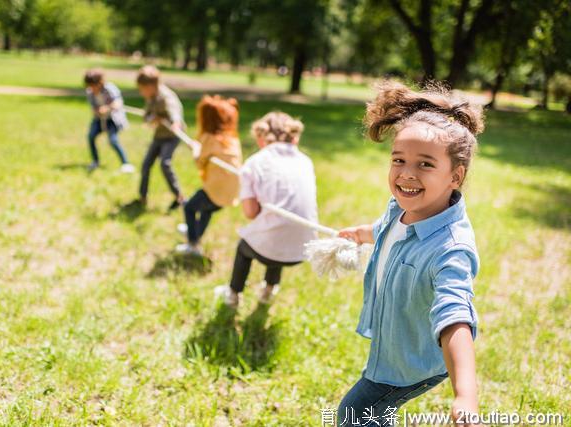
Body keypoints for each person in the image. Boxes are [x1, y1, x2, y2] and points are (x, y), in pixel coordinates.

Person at [336, 81, 485, 427]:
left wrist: (466, 395)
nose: (406, 173)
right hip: (396, 343)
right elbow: (390, 230)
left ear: (456, 176)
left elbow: (455, 318)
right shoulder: (401, 208)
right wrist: (363, 234)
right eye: (399, 160)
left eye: (425, 165)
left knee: (354, 415)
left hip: (413, 360)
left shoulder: (450, 249)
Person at [214, 112, 318, 308]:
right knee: (277, 227)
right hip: (303, 247)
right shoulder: (306, 161)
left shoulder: (254, 162)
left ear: (261, 139)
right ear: (294, 138)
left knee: (244, 247)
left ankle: (233, 294)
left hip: (271, 248)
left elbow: (250, 212)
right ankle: (269, 289)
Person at [176, 95, 243, 256]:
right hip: (232, 192)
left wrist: (195, 150)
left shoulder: (209, 138)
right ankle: (195, 233)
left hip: (216, 190)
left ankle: (193, 245)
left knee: (190, 207)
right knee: (207, 210)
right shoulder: (232, 139)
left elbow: (200, 161)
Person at [136, 65, 185, 211]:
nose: (141, 92)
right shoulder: (151, 97)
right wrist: (152, 119)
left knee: (165, 163)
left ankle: (180, 197)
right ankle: (142, 197)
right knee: (146, 165)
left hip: (171, 136)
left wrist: (176, 123)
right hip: (159, 136)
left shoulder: (166, 96)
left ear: (150, 86)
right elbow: (147, 116)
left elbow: (174, 110)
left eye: (142, 89)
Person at [83, 69, 134, 173]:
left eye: (93, 85)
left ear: (99, 83)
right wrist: (98, 111)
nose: (91, 88)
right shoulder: (90, 92)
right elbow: (93, 108)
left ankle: (126, 163)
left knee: (113, 141)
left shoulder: (110, 88)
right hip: (99, 119)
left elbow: (118, 103)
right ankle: (95, 161)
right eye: (89, 86)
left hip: (113, 119)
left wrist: (107, 108)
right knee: (91, 136)